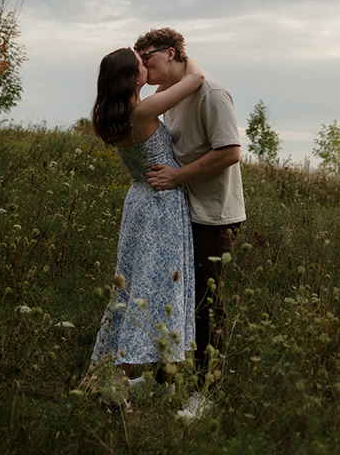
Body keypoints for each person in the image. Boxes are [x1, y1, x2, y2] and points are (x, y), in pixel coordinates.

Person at [81, 46, 206, 405]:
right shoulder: (146, 109)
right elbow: (195, 78)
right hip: (160, 205)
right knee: (151, 290)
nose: (146, 65)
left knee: (131, 286)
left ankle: (103, 376)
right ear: (133, 77)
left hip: (138, 200)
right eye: (140, 64)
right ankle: (117, 383)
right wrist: (182, 56)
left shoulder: (116, 114)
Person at [135, 28, 244, 400]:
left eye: (146, 56)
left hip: (213, 216)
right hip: (182, 213)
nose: (143, 65)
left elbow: (230, 152)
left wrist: (177, 177)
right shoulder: (169, 95)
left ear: (169, 53)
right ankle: (164, 381)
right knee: (175, 300)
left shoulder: (210, 93)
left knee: (206, 307)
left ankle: (206, 394)